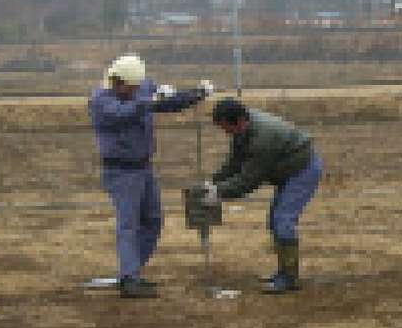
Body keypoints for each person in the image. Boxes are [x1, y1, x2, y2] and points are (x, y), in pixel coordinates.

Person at [89, 53, 213, 298]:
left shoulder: (141, 87)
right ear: (116, 80)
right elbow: (124, 113)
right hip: (120, 171)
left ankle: (133, 271)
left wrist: (195, 94)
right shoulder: (101, 100)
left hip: (144, 167)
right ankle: (129, 278)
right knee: (129, 224)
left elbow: (166, 103)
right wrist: (151, 100)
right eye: (130, 87)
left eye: (138, 87)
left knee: (153, 220)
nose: (134, 90)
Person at [197, 98, 323, 293]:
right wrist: (214, 182)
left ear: (238, 121)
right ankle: (284, 272)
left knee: (283, 220)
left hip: (302, 170)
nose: (224, 133)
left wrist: (219, 192)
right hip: (287, 170)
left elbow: (249, 181)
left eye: (225, 128)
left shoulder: (263, 139)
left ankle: (289, 277)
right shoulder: (243, 129)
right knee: (275, 220)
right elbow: (234, 162)